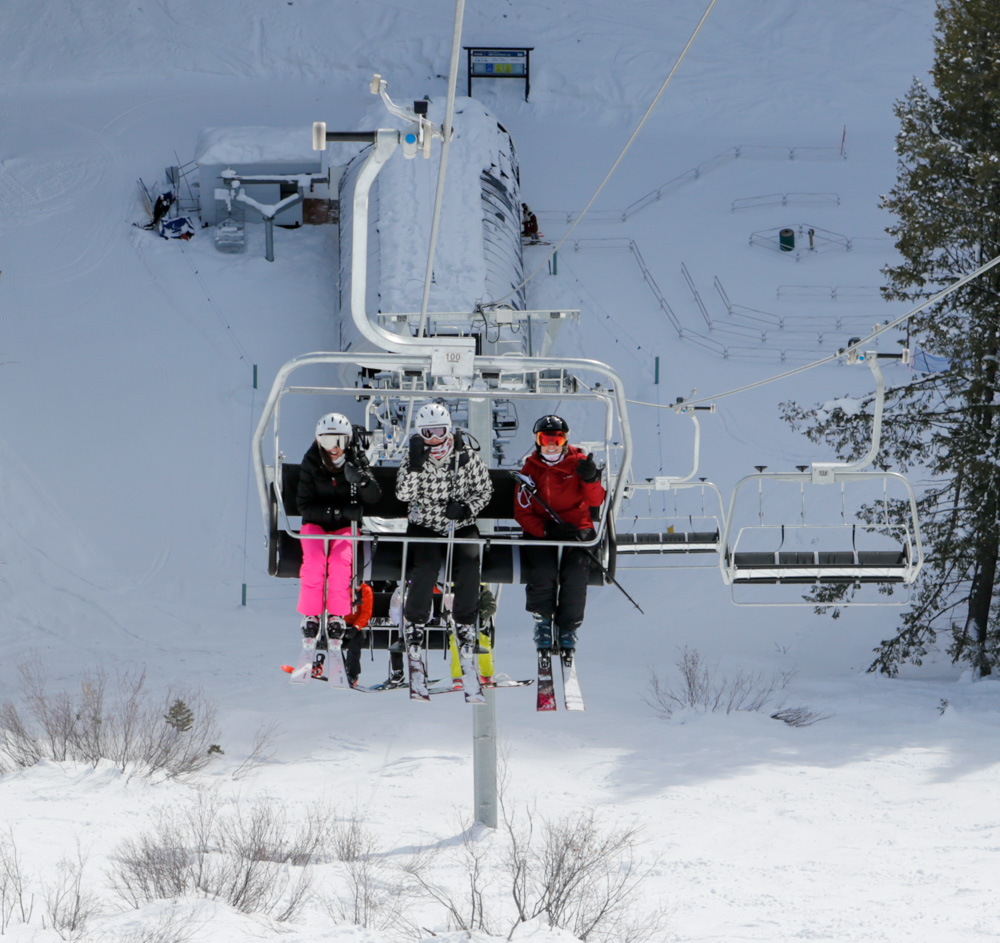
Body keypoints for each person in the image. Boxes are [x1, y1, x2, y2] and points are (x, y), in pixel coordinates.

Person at [395, 401, 493, 657]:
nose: (435, 438)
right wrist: (415, 468)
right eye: (428, 432)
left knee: (469, 564)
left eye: (439, 431)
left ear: (448, 429)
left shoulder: (465, 456)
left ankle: (465, 623)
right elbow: (403, 495)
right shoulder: (414, 456)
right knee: (426, 566)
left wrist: (465, 509)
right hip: (424, 524)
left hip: (459, 524)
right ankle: (414, 622)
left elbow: (484, 490)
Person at [513, 415, 606, 652]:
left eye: (558, 438)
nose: (552, 445)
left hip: (576, 527)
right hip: (544, 529)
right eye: (545, 439)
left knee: (576, 571)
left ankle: (569, 626)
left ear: (566, 440)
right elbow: (522, 512)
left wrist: (591, 478)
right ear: (537, 441)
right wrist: (546, 529)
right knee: (543, 570)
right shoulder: (530, 469)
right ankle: (543, 620)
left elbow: (596, 500)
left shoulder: (579, 462)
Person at [296, 412, 381, 644]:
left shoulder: (356, 459)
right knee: (314, 562)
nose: (334, 448)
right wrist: (337, 512)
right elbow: (304, 505)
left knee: (340, 563)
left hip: (345, 528)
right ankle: (311, 615)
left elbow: (374, 496)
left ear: (348, 441)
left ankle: (336, 614)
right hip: (315, 525)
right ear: (318, 441)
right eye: (327, 441)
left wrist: (362, 480)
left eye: (340, 441)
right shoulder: (312, 461)